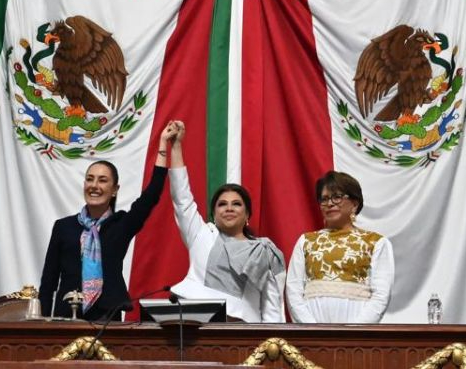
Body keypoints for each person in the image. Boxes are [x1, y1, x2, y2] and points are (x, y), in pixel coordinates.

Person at [161, 119, 285, 322]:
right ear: (213, 214)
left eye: (236, 204)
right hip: (193, 323)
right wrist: (175, 146)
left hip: (242, 330)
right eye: (222, 204)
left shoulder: (263, 250)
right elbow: (182, 198)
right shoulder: (202, 235)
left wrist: (271, 343)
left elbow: (273, 303)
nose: (228, 208)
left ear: (247, 215)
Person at [38, 155, 169, 320]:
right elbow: (49, 281)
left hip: (107, 319)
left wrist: (163, 148)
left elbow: (152, 195)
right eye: (90, 179)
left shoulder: (121, 225)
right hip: (66, 317)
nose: (94, 186)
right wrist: (42, 323)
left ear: (114, 189)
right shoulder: (63, 227)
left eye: (102, 180)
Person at [286, 170, 393, 323]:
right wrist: (311, 330)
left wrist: (354, 332)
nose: (329, 203)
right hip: (312, 333)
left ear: (355, 204)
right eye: (324, 199)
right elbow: (293, 291)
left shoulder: (376, 242)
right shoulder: (306, 241)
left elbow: (381, 295)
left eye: (337, 197)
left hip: (357, 335)